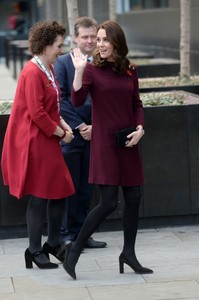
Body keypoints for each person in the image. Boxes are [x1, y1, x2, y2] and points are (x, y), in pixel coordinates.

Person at [63, 20, 154, 280]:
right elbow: (78, 100)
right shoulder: (91, 70)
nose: (99, 44)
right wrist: (79, 72)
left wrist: (140, 128)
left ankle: (128, 253)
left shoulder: (130, 70)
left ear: (117, 42)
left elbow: (137, 103)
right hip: (104, 143)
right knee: (108, 203)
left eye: (104, 40)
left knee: (134, 198)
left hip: (128, 141)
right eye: (98, 40)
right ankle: (74, 251)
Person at [1, 20, 75, 269]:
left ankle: (51, 243)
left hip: (46, 138)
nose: (60, 50)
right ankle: (34, 249)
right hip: (35, 141)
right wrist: (61, 134)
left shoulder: (48, 68)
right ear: (44, 46)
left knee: (60, 190)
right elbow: (37, 113)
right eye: (57, 46)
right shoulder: (32, 72)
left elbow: (52, 107)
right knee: (41, 195)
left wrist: (64, 126)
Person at [54, 17, 107, 249]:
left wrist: (97, 126)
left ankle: (82, 234)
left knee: (87, 188)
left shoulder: (102, 63)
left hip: (98, 134)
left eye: (93, 36)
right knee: (70, 187)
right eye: (84, 37)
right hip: (72, 135)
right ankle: (66, 235)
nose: (89, 41)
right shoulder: (63, 63)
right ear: (75, 38)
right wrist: (80, 127)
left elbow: (106, 98)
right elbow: (61, 99)